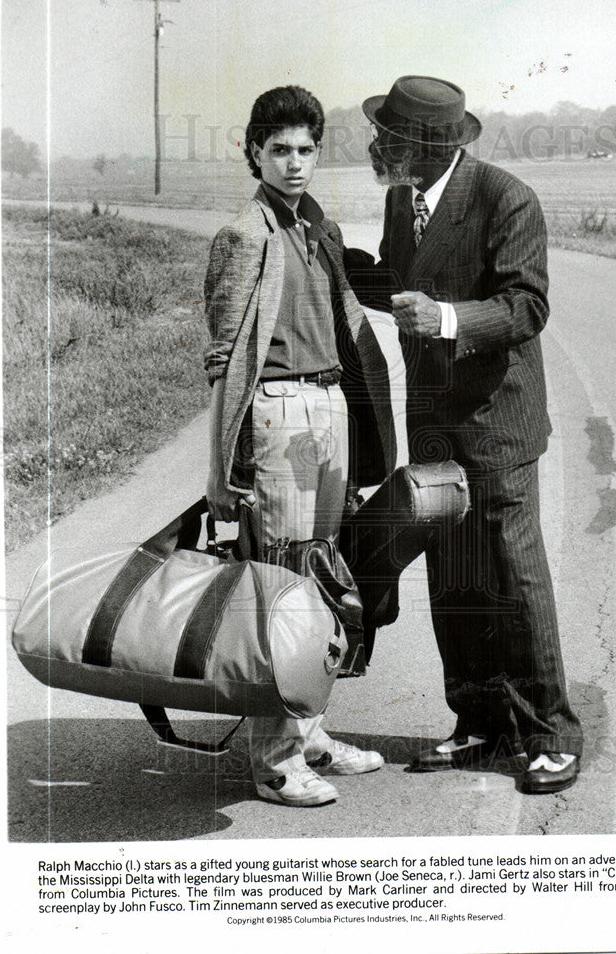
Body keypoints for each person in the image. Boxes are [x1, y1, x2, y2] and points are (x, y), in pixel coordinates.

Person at [345, 76, 583, 793]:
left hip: (498, 427)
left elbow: (526, 305)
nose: (376, 147)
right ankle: (479, 725)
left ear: (425, 144)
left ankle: (550, 732)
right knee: (454, 578)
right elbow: (402, 284)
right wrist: (338, 260)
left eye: (388, 138)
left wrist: (447, 320)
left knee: (513, 575)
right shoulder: (400, 198)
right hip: (436, 426)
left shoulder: (504, 197)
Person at [203, 85, 396, 807]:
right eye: (279, 149)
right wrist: (221, 469)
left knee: (321, 581)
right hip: (278, 410)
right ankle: (277, 762)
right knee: (277, 588)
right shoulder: (243, 234)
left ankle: (311, 735)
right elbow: (223, 358)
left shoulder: (317, 228)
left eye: (306, 149)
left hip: (329, 405)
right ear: (253, 152)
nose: (293, 162)